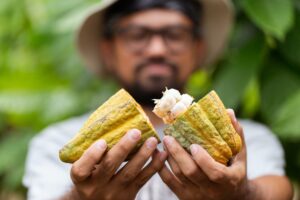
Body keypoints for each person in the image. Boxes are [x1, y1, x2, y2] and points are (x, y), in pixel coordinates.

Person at [23, 0, 293, 199]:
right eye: (136, 35)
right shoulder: (58, 140)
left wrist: (243, 193)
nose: (157, 49)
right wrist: (80, 197)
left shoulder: (246, 137)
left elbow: (279, 190)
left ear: (198, 49)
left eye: (175, 35)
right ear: (108, 50)